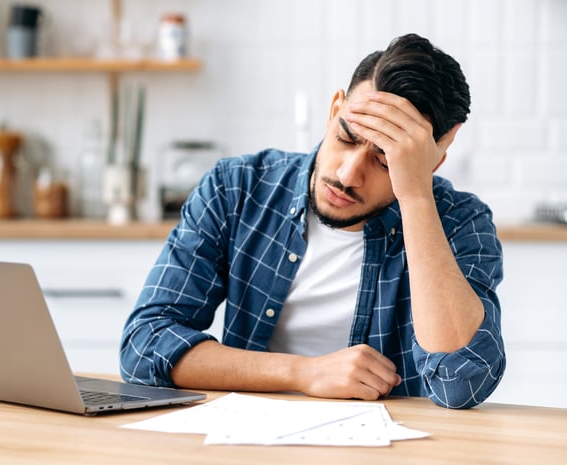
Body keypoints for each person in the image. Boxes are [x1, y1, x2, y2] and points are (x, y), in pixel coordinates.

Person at [120, 33, 505, 409]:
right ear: (334, 108)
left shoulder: (459, 222)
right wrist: (302, 373)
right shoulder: (237, 187)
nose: (349, 173)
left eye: (385, 161)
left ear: (432, 162)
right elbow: (144, 345)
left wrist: (417, 196)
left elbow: (462, 384)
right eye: (347, 137)